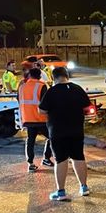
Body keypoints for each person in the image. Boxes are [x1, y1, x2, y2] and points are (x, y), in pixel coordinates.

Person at [39, 67, 92, 201]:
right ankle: (84, 187)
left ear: (54, 77)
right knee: (78, 157)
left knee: (60, 160)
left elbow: (42, 111)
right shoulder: (77, 89)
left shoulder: (52, 91)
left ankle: (61, 192)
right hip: (76, 130)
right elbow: (87, 108)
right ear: (66, 76)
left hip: (57, 131)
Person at [18, 68, 54, 172]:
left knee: (30, 141)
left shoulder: (22, 86)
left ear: (29, 75)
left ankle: (30, 163)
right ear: (39, 76)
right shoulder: (41, 86)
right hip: (40, 119)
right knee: (52, 137)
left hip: (27, 118)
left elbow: (19, 100)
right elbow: (46, 103)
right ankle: (46, 158)